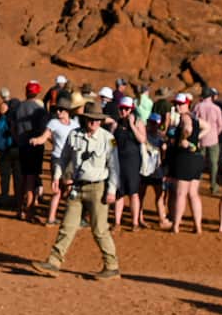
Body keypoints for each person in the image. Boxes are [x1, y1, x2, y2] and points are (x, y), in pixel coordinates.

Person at [30, 101, 120, 280]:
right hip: (76, 187)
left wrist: (111, 190)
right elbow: (63, 159)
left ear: (101, 121)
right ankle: (54, 262)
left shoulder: (108, 138)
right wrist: (57, 176)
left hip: (98, 188)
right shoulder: (74, 135)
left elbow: (114, 166)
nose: (93, 123)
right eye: (90, 119)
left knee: (100, 229)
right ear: (84, 119)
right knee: (67, 226)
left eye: (97, 120)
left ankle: (112, 266)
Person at [31, 103, 77, 226]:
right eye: (57, 110)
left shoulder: (75, 124)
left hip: (71, 160)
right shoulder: (53, 123)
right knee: (58, 190)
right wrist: (37, 140)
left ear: (67, 110)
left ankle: (68, 217)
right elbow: (45, 137)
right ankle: (51, 218)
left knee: (69, 189)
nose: (58, 112)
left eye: (61, 109)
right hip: (57, 159)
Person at [168, 93, 207, 234]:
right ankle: (198, 226)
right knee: (193, 194)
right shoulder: (195, 117)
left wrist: (185, 139)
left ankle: (176, 226)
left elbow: (187, 128)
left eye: (180, 104)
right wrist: (195, 140)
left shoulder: (185, 117)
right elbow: (207, 127)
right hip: (196, 159)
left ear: (187, 104)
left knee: (180, 193)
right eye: (176, 104)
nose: (177, 106)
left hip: (185, 159)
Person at [11, 80, 48, 222]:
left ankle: (20, 209)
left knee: (22, 179)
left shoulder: (18, 108)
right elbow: (45, 129)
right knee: (31, 180)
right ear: (37, 92)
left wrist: (19, 139)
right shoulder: (39, 109)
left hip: (22, 146)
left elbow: (13, 128)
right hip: (35, 148)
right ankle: (29, 211)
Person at [111, 96, 147, 231]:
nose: (123, 111)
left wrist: (132, 126)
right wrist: (113, 149)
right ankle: (117, 222)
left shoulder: (138, 122)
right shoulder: (116, 124)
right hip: (119, 160)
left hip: (133, 161)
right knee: (119, 192)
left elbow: (142, 139)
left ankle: (135, 222)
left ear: (131, 109)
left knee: (133, 192)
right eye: (121, 109)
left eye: (126, 109)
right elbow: (111, 140)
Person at [193, 86, 222, 197]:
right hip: (213, 139)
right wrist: (215, 134)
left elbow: (194, 122)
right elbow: (220, 126)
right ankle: (213, 185)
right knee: (213, 163)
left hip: (200, 138)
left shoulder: (197, 107)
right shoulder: (216, 108)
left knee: (199, 162)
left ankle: (196, 185)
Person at [0, 89, 18, 205]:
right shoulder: (17, 118)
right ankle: (18, 198)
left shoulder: (1, 120)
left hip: (3, 151)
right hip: (16, 150)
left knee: (5, 175)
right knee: (17, 175)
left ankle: (4, 197)